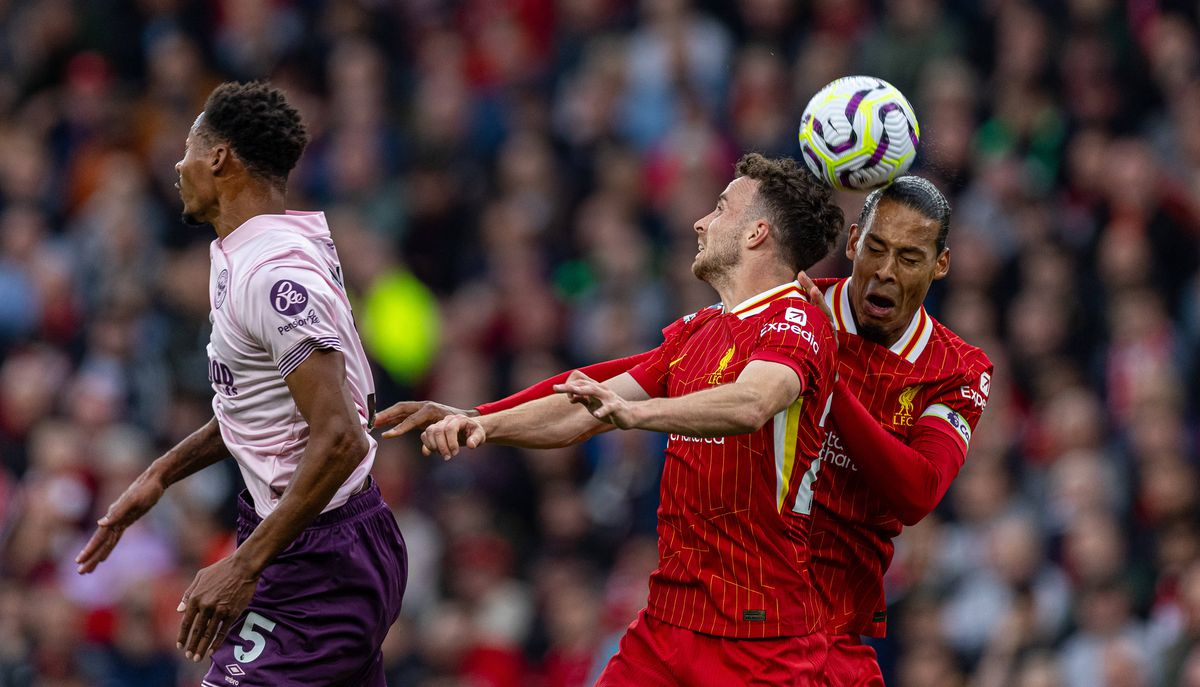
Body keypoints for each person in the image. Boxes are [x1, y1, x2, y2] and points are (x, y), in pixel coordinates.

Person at [381, 175, 992, 686]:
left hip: (787, 628)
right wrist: (477, 419)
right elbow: (594, 390)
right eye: (874, 250)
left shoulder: (912, 358)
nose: (884, 272)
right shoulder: (744, 319)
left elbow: (910, 487)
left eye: (909, 258)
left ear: (939, 265)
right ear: (854, 242)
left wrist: (640, 416)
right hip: (677, 614)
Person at [403, 153, 844, 685]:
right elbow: (583, 407)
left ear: (756, 233)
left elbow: (751, 403)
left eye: (721, 207)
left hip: (759, 634)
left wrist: (637, 414)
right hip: (667, 623)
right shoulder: (696, 332)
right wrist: (482, 421)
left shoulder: (798, 324)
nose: (700, 222)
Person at [74, 81, 406, 686]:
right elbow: (262, 408)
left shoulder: (275, 277)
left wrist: (243, 565)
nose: (178, 166)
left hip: (319, 559)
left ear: (219, 158)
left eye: (187, 149)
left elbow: (341, 437)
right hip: (313, 541)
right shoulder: (247, 255)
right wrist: (162, 473)